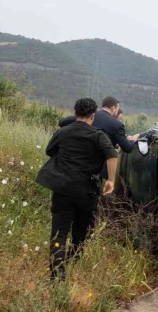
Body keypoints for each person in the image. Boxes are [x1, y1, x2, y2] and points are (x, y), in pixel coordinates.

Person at [36, 98, 118, 281]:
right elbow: (112, 155)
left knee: (59, 231)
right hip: (86, 192)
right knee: (82, 230)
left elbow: (50, 151)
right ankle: (74, 259)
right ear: (93, 116)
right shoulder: (98, 136)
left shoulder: (63, 132)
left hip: (62, 190)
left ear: (75, 113)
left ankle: (58, 274)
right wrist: (111, 181)